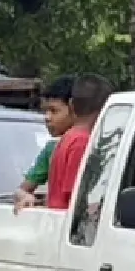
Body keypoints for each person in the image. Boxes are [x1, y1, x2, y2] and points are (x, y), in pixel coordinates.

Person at [43, 74, 110, 211]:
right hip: (68, 221)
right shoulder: (82, 142)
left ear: (71, 105)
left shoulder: (68, 137)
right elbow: (75, 195)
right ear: (106, 108)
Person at [15, 75, 76, 210]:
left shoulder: (93, 144)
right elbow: (22, 189)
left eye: (54, 111)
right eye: (46, 111)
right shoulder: (51, 149)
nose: (47, 117)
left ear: (74, 109)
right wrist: (25, 197)